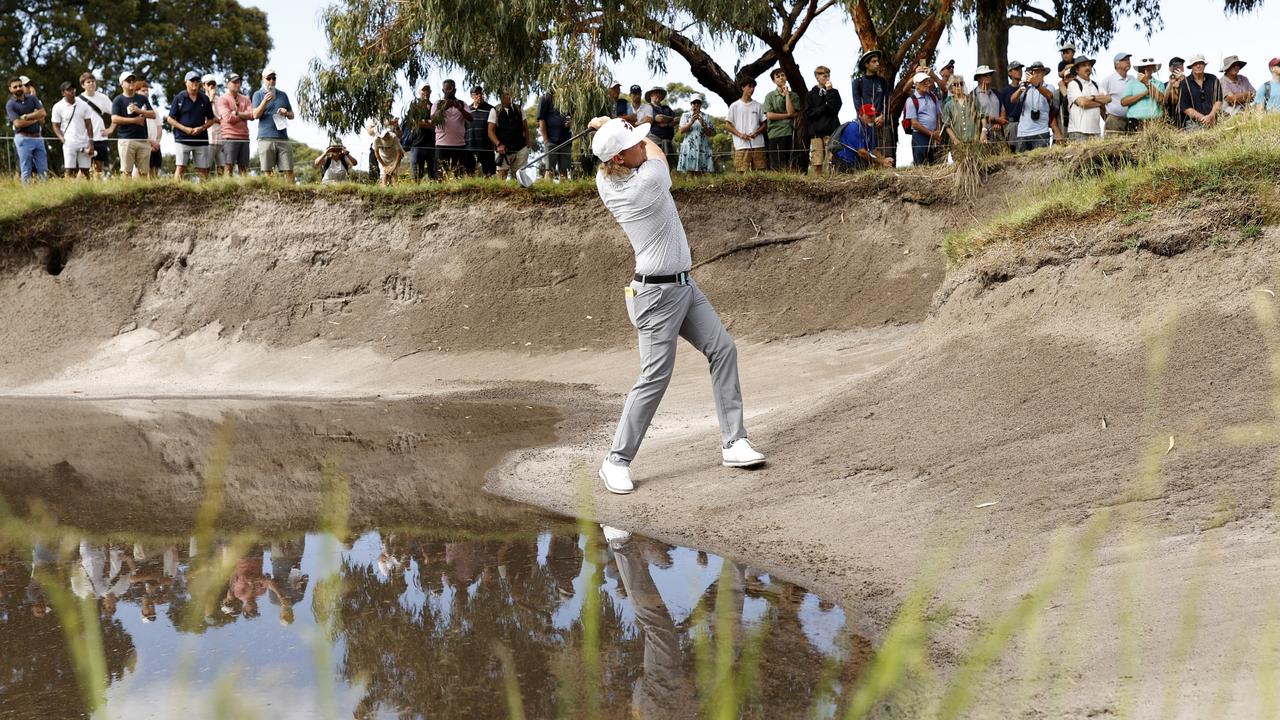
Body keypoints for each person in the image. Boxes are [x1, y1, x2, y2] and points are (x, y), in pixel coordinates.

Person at [586, 115, 766, 494]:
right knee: (654, 378)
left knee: (722, 349)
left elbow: (632, 151)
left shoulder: (606, 177)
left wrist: (611, 130)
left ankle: (734, 442)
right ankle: (615, 460)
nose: (643, 144)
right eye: (634, 144)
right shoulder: (645, 183)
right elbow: (658, 157)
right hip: (655, 297)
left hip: (684, 287)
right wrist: (616, 124)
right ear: (619, 158)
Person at [167, 70, 216, 180]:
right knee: (180, 167)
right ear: (186, 82)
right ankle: (176, 191)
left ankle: (203, 193)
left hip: (201, 139)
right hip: (182, 139)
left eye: (197, 80)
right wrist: (185, 129)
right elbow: (170, 119)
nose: (195, 82)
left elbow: (211, 120)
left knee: (203, 169)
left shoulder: (205, 99)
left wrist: (202, 128)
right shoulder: (179, 98)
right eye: (192, 80)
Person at [251, 67, 295, 182]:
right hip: (265, 138)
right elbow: (255, 115)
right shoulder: (258, 94)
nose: (271, 81)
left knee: (289, 169)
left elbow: (292, 115)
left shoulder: (283, 95)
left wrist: (286, 113)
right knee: (268, 171)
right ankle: (272, 197)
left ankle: (289, 193)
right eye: (268, 78)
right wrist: (264, 102)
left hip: (283, 138)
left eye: (273, 78)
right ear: (263, 79)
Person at [851, 49, 894, 166]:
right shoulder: (858, 82)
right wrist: (869, 118)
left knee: (887, 152)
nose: (877, 64)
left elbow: (887, 101)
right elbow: (857, 105)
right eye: (874, 61)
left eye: (877, 61)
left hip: (882, 121)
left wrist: (883, 116)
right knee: (869, 153)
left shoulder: (882, 82)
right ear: (866, 64)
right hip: (866, 123)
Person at [110, 71, 154, 180]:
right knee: (126, 172)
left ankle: (143, 196)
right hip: (126, 140)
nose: (131, 82)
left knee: (144, 173)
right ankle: (125, 196)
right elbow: (114, 118)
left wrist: (139, 110)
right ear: (122, 84)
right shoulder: (118, 100)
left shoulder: (142, 99)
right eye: (128, 80)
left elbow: (152, 114)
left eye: (133, 80)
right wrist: (134, 120)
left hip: (143, 140)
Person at [1010, 61, 1059, 152]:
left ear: (1044, 73)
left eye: (1038, 72)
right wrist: (1021, 88)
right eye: (1034, 72)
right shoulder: (1026, 88)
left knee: (1040, 163)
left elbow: (1050, 95)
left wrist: (1036, 84)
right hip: (1023, 133)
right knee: (1021, 163)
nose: (1036, 75)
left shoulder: (1049, 86)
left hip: (1041, 132)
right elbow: (1012, 100)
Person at [51, 81, 94, 178]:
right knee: (69, 169)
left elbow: (89, 123)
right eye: (69, 90)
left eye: (73, 89)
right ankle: (68, 188)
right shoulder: (58, 107)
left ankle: (89, 189)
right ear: (63, 93)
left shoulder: (83, 105)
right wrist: (61, 138)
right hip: (69, 141)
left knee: (86, 170)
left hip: (83, 141)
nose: (72, 91)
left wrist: (91, 141)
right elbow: (55, 125)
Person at [832, 103, 892, 171]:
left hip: (856, 165)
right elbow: (862, 152)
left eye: (873, 115)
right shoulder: (853, 127)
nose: (872, 118)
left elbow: (873, 150)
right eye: (869, 116)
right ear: (860, 115)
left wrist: (884, 160)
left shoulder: (870, 128)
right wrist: (881, 162)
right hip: (843, 164)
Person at [805, 65, 841, 176]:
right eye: (821, 74)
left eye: (827, 74)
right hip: (816, 132)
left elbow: (834, 109)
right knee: (817, 160)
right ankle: (818, 180)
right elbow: (809, 113)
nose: (825, 76)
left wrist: (829, 92)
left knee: (832, 158)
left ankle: (833, 178)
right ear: (816, 77)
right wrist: (824, 107)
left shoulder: (834, 92)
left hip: (831, 131)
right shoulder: (810, 94)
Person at [763, 68, 802, 171]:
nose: (781, 78)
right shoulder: (770, 96)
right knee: (777, 164)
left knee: (791, 162)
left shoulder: (793, 95)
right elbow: (770, 116)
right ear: (773, 81)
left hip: (790, 132)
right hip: (775, 133)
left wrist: (787, 95)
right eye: (778, 76)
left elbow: (792, 113)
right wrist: (787, 115)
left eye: (782, 75)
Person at [432, 79, 473, 176]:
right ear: (443, 90)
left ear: (455, 90)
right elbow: (433, 120)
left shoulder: (462, 103)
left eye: (451, 88)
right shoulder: (438, 103)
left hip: (459, 145)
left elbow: (470, 118)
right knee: (441, 174)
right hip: (442, 144)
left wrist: (460, 109)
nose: (449, 91)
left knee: (458, 174)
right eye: (447, 88)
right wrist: (445, 107)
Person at [724, 78, 766, 172]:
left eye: (753, 87)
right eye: (749, 86)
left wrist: (756, 133)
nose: (752, 89)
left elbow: (765, 125)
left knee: (760, 172)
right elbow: (727, 125)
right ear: (743, 87)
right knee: (741, 172)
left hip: (758, 144)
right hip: (741, 145)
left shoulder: (758, 105)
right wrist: (740, 135)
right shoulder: (734, 106)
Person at [488, 89, 530, 180]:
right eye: (506, 94)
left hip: (520, 149)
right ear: (501, 96)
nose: (509, 96)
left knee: (519, 179)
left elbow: (526, 128)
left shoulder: (519, 109)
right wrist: (498, 144)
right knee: (501, 179)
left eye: (510, 94)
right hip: (503, 150)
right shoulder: (495, 110)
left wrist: (527, 145)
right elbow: (490, 131)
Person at [216, 73, 252, 175]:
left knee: (244, 167)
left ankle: (244, 189)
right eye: (234, 82)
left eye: (239, 82)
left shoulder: (246, 99)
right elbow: (228, 118)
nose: (237, 84)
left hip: (244, 137)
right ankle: (228, 189)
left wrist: (236, 113)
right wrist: (243, 115)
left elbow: (251, 115)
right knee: (228, 166)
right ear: (227, 83)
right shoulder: (222, 99)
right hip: (229, 137)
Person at [78, 72, 113, 178]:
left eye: (93, 81)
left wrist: (110, 129)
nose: (91, 84)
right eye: (88, 82)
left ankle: (97, 189)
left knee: (99, 168)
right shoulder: (77, 100)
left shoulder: (103, 98)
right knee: (84, 168)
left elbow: (116, 114)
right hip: (85, 138)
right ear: (83, 85)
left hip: (100, 136)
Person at [905, 72, 944, 165]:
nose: (927, 83)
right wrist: (932, 134)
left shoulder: (933, 97)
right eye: (923, 81)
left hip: (934, 134)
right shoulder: (911, 100)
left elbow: (939, 115)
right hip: (920, 136)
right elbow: (914, 123)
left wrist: (938, 131)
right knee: (920, 165)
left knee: (936, 163)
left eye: (927, 81)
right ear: (916, 85)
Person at [1177, 54, 1223, 130]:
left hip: (1215, 120)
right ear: (1191, 66)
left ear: (1204, 65)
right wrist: (1203, 118)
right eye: (1195, 64)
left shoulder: (1213, 79)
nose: (1198, 66)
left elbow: (1218, 100)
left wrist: (1210, 116)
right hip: (1194, 123)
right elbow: (1185, 107)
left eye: (1201, 63)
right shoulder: (1184, 83)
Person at [1066, 56, 1107, 141]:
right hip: (1078, 132)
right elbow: (1082, 103)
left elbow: (1108, 99)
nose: (1088, 67)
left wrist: (1092, 98)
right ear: (1077, 70)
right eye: (1084, 65)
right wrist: (1099, 102)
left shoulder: (1096, 84)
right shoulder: (1073, 84)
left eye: (1089, 65)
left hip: (1096, 132)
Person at [1121, 58, 1167, 129]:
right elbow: (1123, 102)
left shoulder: (1159, 84)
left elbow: (1162, 101)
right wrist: (1144, 94)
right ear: (1139, 68)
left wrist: (1147, 83)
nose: (1146, 68)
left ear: (1153, 67)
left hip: (1155, 122)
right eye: (1144, 66)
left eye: (1149, 66)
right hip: (1135, 122)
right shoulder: (1131, 83)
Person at [537, 91, 573, 181]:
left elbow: (574, 116)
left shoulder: (569, 97)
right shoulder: (545, 98)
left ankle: (564, 193)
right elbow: (541, 120)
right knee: (549, 170)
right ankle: (547, 191)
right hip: (551, 140)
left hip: (566, 140)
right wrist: (546, 140)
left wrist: (571, 123)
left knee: (564, 171)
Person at [942, 76, 986, 147]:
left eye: (961, 84)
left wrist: (984, 132)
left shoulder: (973, 100)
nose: (959, 86)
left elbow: (982, 117)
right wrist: (954, 139)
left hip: (975, 141)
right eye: (955, 84)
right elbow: (947, 126)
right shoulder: (948, 105)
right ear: (951, 88)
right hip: (958, 144)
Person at [676, 96, 714, 175]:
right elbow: (681, 131)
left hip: (702, 146)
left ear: (701, 104)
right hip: (689, 147)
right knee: (689, 172)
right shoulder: (685, 115)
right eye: (694, 102)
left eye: (698, 102)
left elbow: (710, 133)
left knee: (702, 173)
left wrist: (703, 124)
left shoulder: (706, 117)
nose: (696, 104)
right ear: (691, 104)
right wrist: (691, 122)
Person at [134, 78, 163, 178]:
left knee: (155, 172)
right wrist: (151, 142)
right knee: (140, 172)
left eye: (147, 91)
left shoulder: (153, 110)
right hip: (142, 144)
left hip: (156, 146)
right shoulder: (135, 109)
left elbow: (159, 127)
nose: (146, 93)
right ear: (136, 92)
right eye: (143, 90)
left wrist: (157, 143)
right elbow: (137, 130)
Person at [971, 66, 1006, 146]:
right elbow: (975, 115)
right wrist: (996, 120)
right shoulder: (972, 96)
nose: (988, 76)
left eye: (990, 74)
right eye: (985, 74)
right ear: (978, 78)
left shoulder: (996, 93)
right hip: (982, 135)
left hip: (998, 134)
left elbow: (1003, 109)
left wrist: (999, 123)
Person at [644, 87, 677, 166]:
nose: (658, 95)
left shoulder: (666, 108)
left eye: (660, 93)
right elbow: (659, 118)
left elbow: (677, 119)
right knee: (656, 161)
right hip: (655, 138)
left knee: (670, 163)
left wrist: (667, 123)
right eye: (656, 93)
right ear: (651, 95)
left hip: (668, 140)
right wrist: (670, 119)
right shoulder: (648, 107)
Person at [467, 85, 496, 176]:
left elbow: (494, 128)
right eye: (476, 94)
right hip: (470, 146)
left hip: (486, 146)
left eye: (481, 93)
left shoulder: (490, 109)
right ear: (472, 96)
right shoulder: (467, 110)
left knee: (489, 173)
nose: (479, 95)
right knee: (469, 173)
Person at [1103, 52, 1134, 134]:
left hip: (1131, 121)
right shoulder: (1108, 80)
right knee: (1113, 146)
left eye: (1128, 59)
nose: (1128, 61)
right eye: (1124, 60)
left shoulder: (1133, 79)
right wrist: (1107, 117)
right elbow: (1102, 101)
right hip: (1114, 120)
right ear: (1117, 64)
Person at [999, 61, 1025, 145]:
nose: (1020, 71)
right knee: (1013, 151)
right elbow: (1002, 110)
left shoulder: (1027, 88)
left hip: (1026, 124)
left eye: (1020, 69)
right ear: (1010, 72)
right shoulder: (1004, 91)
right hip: (1012, 125)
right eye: (1016, 69)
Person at [201, 74, 223, 174]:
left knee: (222, 167)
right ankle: (204, 187)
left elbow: (223, 117)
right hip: (208, 138)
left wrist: (215, 119)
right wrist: (210, 98)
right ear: (204, 86)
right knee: (206, 166)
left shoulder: (221, 100)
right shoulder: (200, 99)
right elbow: (203, 116)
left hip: (220, 138)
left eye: (213, 84)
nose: (211, 86)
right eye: (209, 84)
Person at [1165, 57, 1187, 127]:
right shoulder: (1165, 85)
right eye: (1175, 65)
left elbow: (1192, 97)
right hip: (1170, 123)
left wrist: (1183, 81)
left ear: (1183, 68)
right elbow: (1163, 101)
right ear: (1170, 68)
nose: (1178, 67)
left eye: (1180, 65)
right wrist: (1170, 84)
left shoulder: (1188, 82)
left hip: (1187, 122)